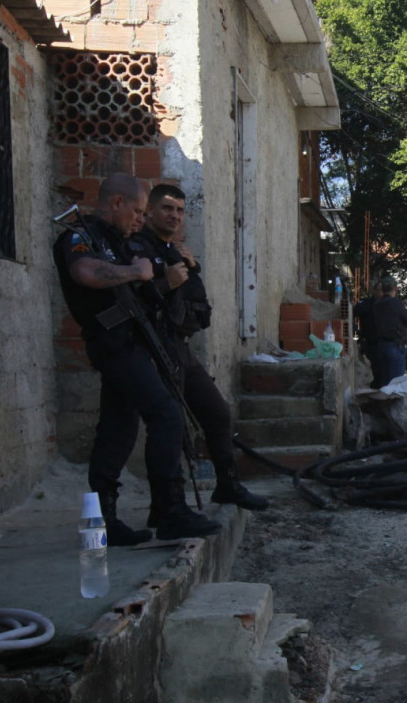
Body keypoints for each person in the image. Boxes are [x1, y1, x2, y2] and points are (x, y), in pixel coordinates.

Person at [52, 174, 219, 543]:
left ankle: (106, 519)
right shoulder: (80, 238)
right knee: (165, 414)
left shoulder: (118, 242)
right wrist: (135, 271)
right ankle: (169, 509)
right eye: (137, 211)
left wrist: (177, 266)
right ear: (116, 203)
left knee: (118, 429)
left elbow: (152, 279)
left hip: (134, 342)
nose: (140, 219)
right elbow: (85, 273)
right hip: (114, 345)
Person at [128, 183, 268, 526]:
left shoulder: (175, 251)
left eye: (179, 210)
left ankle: (227, 485)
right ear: (149, 212)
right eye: (167, 209)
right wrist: (167, 282)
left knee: (217, 413)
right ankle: (167, 507)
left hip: (180, 347)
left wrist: (190, 270)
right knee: (169, 425)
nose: (174, 216)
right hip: (152, 348)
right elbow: (135, 302)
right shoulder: (137, 249)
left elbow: (197, 308)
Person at [372, 276, 407, 384]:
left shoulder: (377, 304)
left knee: (385, 382)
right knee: (395, 383)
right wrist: (404, 307)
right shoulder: (396, 303)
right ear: (395, 288)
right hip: (395, 344)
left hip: (381, 344)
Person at [353, 280, 386, 387]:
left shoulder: (388, 303)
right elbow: (353, 313)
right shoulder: (367, 304)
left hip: (385, 341)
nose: (382, 293)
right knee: (373, 367)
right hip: (370, 341)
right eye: (380, 290)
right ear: (375, 291)